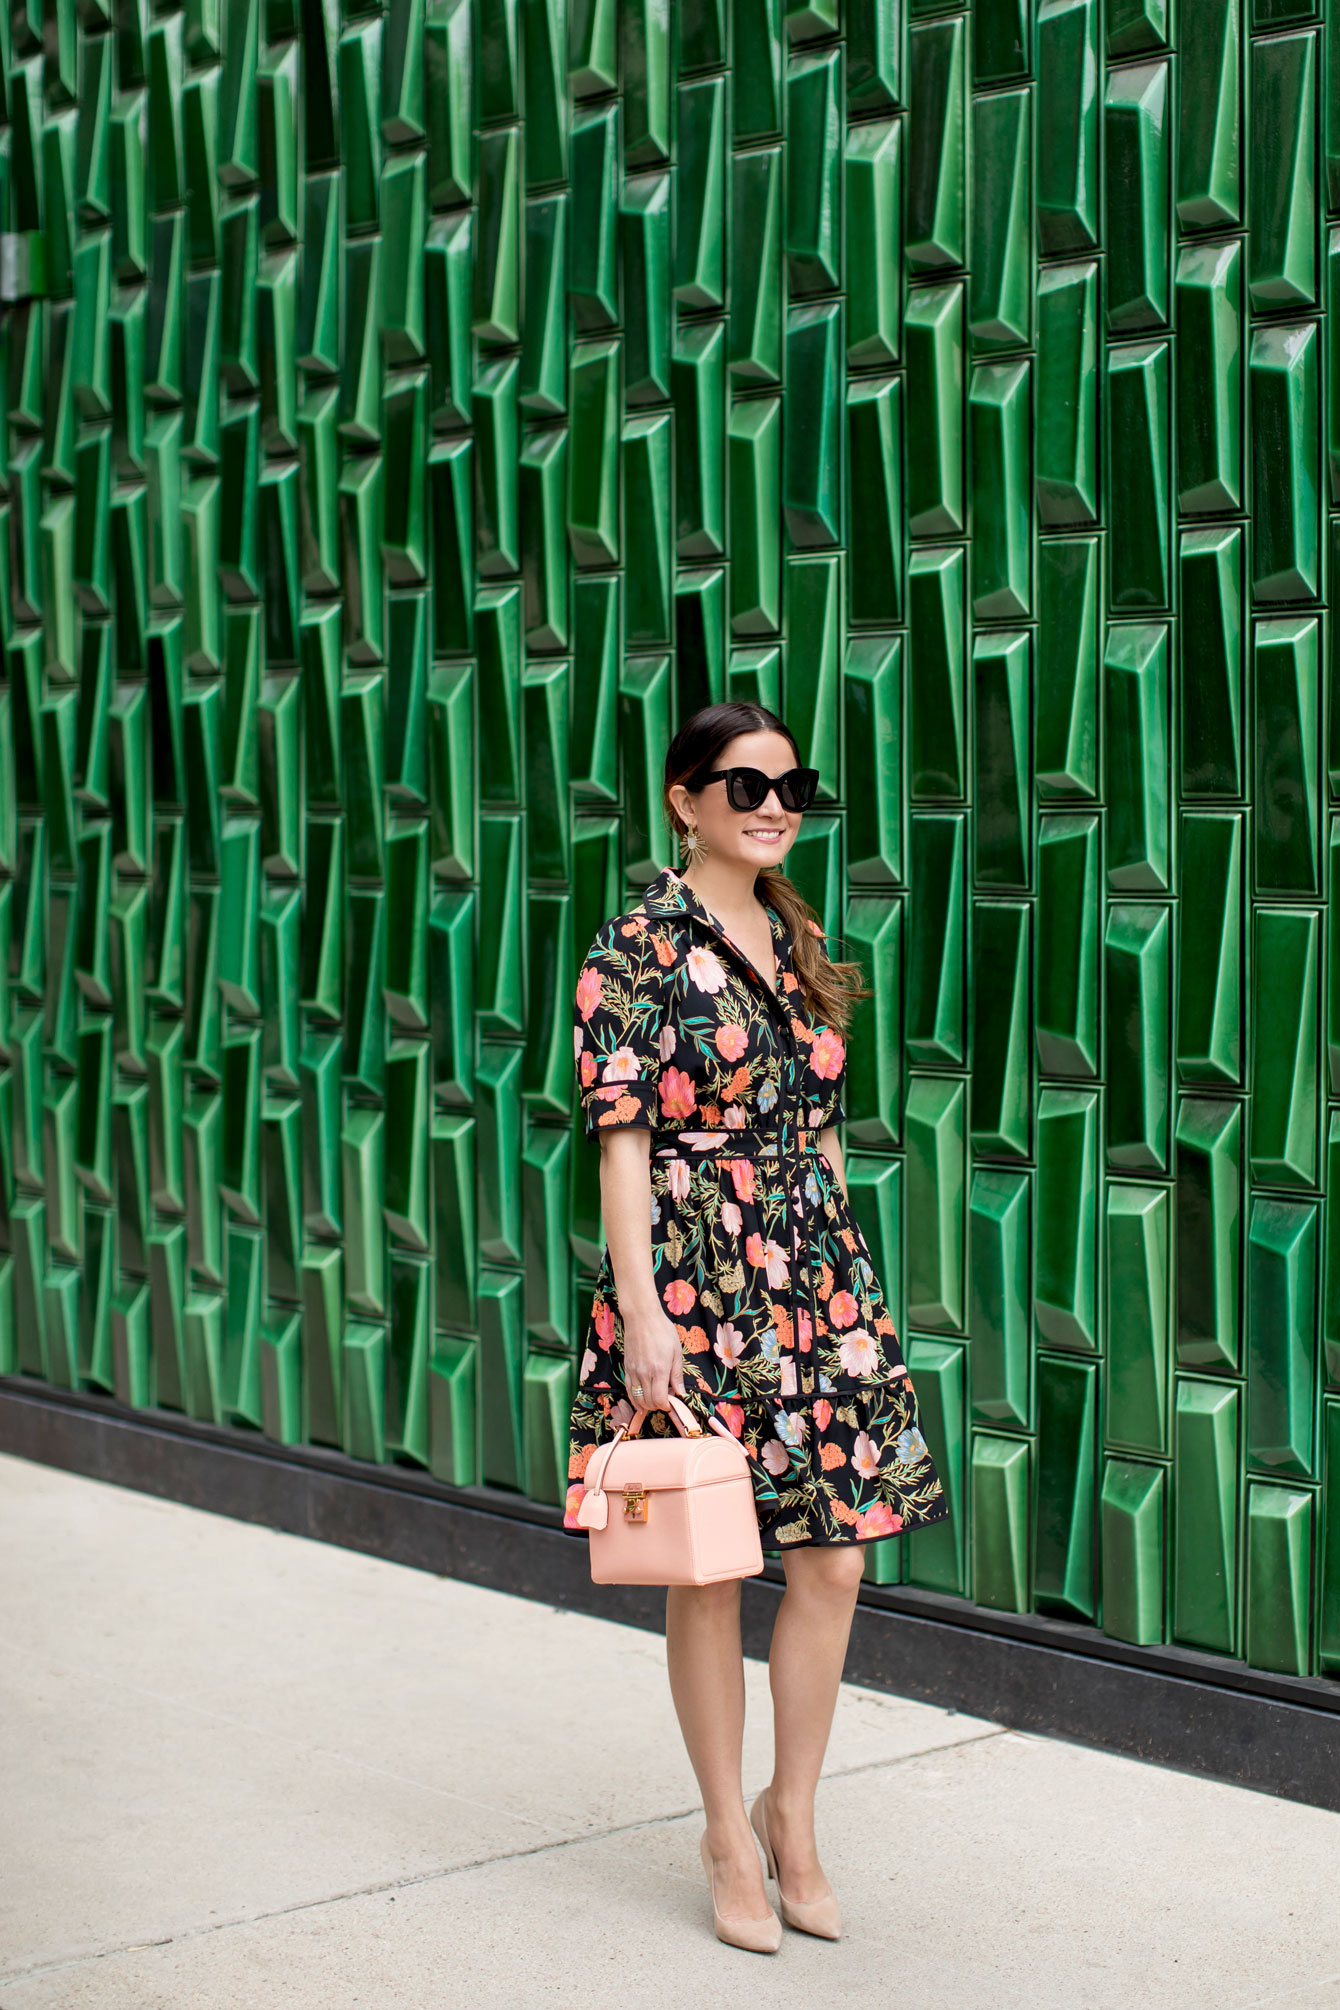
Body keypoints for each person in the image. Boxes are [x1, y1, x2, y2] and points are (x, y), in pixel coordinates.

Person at [565, 702, 950, 1953]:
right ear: (684, 801)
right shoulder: (633, 949)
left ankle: (796, 1814)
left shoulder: (800, 940)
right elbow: (622, 1144)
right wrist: (640, 1312)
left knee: (835, 1555)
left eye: (791, 785)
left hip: (817, 1281)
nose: (774, 805)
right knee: (711, 1561)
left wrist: (850, 1283)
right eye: (743, 786)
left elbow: (826, 1125)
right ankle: (726, 1831)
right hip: (693, 1271)